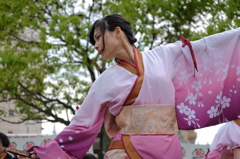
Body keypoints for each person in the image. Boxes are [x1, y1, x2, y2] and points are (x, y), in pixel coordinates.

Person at [27, 14, 240, 159]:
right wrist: (47, 151)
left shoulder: (162, 55)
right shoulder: (104, 80)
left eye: (99, 37)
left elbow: (205, 49)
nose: (96, 46)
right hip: (127, 149)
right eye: (94, 41)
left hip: (169, 148)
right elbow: (81, 124)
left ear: (117, 32)